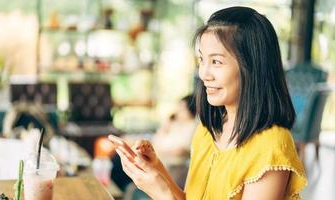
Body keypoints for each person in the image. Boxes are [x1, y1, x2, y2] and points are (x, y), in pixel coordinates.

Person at [110, 6, 307, 200]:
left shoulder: (271, 146)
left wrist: (160, 192)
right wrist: (157, 170)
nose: (204, 74)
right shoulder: (206, 132)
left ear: (252, 68)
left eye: (217, 62)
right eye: (202, 60)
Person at [110, 95, 197, 191]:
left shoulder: (192, 127)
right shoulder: (174, 124)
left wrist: (154, 151)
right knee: (118, 159)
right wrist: (165, 127)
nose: (178, 111)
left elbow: (180, 151)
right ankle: (121, 190)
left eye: (182, 109)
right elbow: (156, 138)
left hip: (165, 163)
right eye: (178, 108)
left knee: (121, 165)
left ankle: (123, 191)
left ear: (191, 110)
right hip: (152, 156)